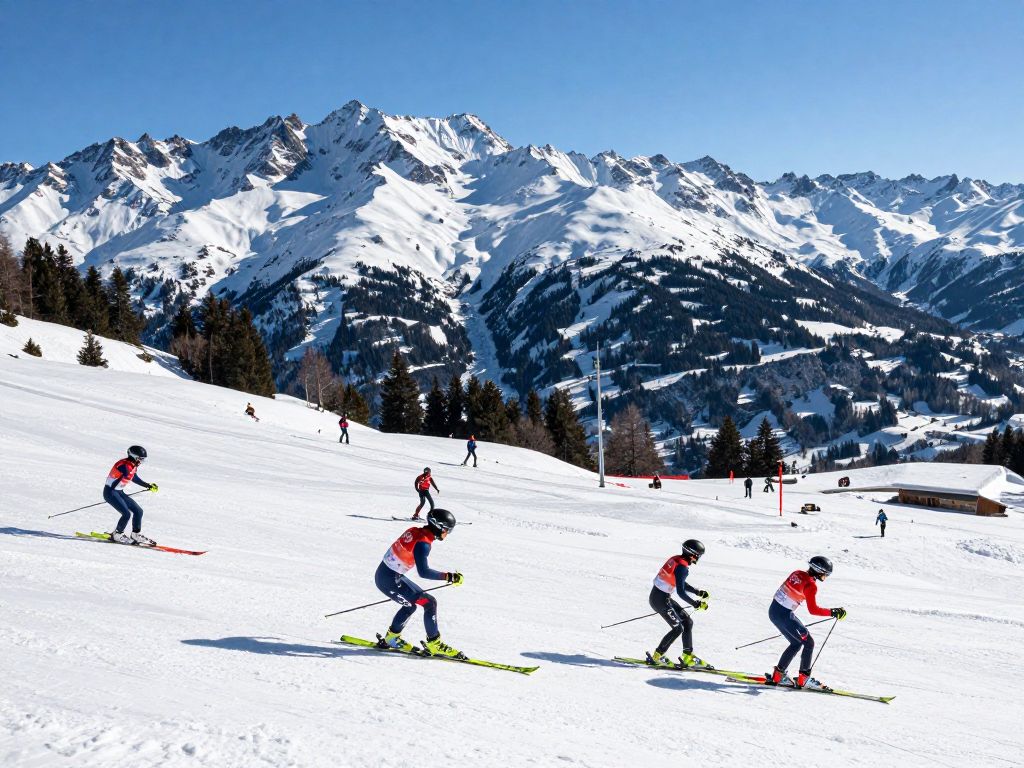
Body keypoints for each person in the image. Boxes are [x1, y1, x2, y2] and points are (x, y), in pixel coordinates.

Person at [375, 508, 464, 657]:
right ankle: (433, 644)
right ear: (439, 527)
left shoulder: (415, 530)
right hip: (389, 580)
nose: (447, 534)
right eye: (447, 530)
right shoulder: (423, 544)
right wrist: (449, 576)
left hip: (390, 575)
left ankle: (392, 638)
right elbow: (423, 572)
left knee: (417, 604)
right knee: (425, 603)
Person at [765, 556, 847, 690]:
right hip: (785, 616)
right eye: (825, 574)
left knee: (796, 643)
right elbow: (813, 610)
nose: (826, 576)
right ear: (819, 571)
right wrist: (832, 612)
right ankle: (804, 679)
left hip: (774, 612)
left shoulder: (797, 573)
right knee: (809, 643)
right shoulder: (811, 585)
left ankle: (778, 676)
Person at [646, 540, 711, 669]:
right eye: (699, 555)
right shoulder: (682, 566)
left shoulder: (677, 559)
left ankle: (688, 656)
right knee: (678, 628)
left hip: (661, 597)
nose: (698, 558)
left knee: (688, 622)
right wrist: (695, 604)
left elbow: (679, 582)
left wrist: (697, 592)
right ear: (693, 554)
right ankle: (657, 657)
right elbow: (681, 592)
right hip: (660, 600)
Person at [103, 445, 159, 545]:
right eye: (140, 459)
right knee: (126, 514)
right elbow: (127, 475)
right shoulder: (124, 465)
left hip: (119, 492)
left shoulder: (132, 465)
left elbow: (134, 478)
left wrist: (148, 485)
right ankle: (117, 535)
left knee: (138, 511)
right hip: (110, 492)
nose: (141, 461)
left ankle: (135, 535)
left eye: (143, 459)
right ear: (134, 456)